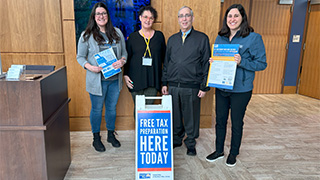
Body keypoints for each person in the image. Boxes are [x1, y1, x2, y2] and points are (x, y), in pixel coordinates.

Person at [205, 4, 267, 166]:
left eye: (236, 16)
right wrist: (214, 62)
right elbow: (219, 60)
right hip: (221, 86)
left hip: (241, 89)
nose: (232, 19)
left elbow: (261, 64)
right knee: (220, 120)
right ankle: (219, 150)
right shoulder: (221, 37)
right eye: (229, 16)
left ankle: (233, 153)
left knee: (236, 122)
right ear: (226, 19)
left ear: (242, 18)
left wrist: (242, 61)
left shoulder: (253, 38)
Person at [76, 2, 128, 152]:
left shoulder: (117, 32)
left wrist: (122, 61)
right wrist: (90, 67)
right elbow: (80, 57)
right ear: (94, 16)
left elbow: (124, 53)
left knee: (111, 109)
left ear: (108, 15)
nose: (101, 16)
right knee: (97, 109)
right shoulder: (86, 35)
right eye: (98, 14)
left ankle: (111, 135)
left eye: (104, 13)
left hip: (114, 81)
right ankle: (96, 138)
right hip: (97, 81)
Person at [162, 6, 210, 156]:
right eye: (181, 16)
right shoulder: (172, 39)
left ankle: (190, 142)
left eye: (187, 15)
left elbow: (206, 63)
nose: (184, 19)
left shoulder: (202, 38)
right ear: (178, 19)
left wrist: (204, 86)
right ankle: (176, 139)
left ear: (192, 18)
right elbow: (167, 62)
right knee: (175, 115)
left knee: (191, 116)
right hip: (174, 86)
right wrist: (164, 83)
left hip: (192, 86)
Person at [124, 6, 166, 115]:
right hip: (135, 80)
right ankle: (138, 132)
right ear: (140, 18)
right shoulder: (132, 37)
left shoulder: (159, 36)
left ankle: (146, 132)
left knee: (148, 109)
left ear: (154, 20)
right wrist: (125, 75)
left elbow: (164, 60)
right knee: (138, 109)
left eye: (151, 18)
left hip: (153, 79)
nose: (148, 20)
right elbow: (127, 59)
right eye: (145, 17)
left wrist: (165, 82)